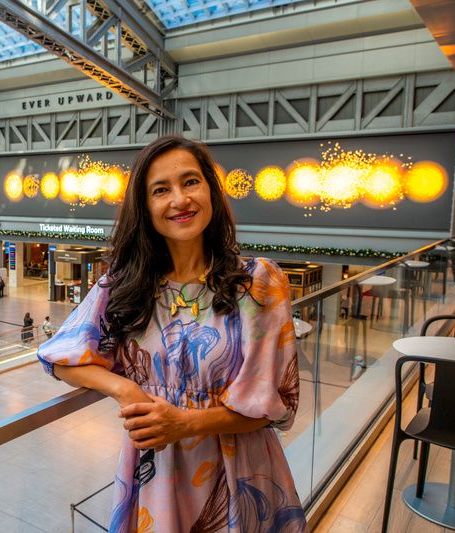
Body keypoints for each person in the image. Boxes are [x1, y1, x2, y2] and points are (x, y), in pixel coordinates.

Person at [36, 135, 304, 532]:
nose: (180, 200)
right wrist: (127, 390)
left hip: (241, 472)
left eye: (191, 182)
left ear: (211, 191)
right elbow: (59, 357)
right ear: (145, 208)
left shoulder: (257, 283)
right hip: (156, 472)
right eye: (161, 190)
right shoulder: (125, 286)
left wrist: (186, 422)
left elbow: (272, 408)